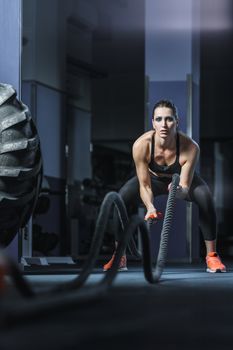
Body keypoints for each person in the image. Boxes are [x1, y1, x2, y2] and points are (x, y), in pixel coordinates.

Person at [103, 99, 226, 273]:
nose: (164, 124)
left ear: (177, 121)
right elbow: (144, 186)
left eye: (169, 119)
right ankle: (119, 257)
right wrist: (150, 207)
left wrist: (178, 191)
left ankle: (212, 256)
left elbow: (184, 187)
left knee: (205, 197)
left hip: (178, 182)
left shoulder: (190, 147)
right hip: (151, 181)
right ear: (153, 122)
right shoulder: (141, 145)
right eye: (159, 119)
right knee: (120, 199)